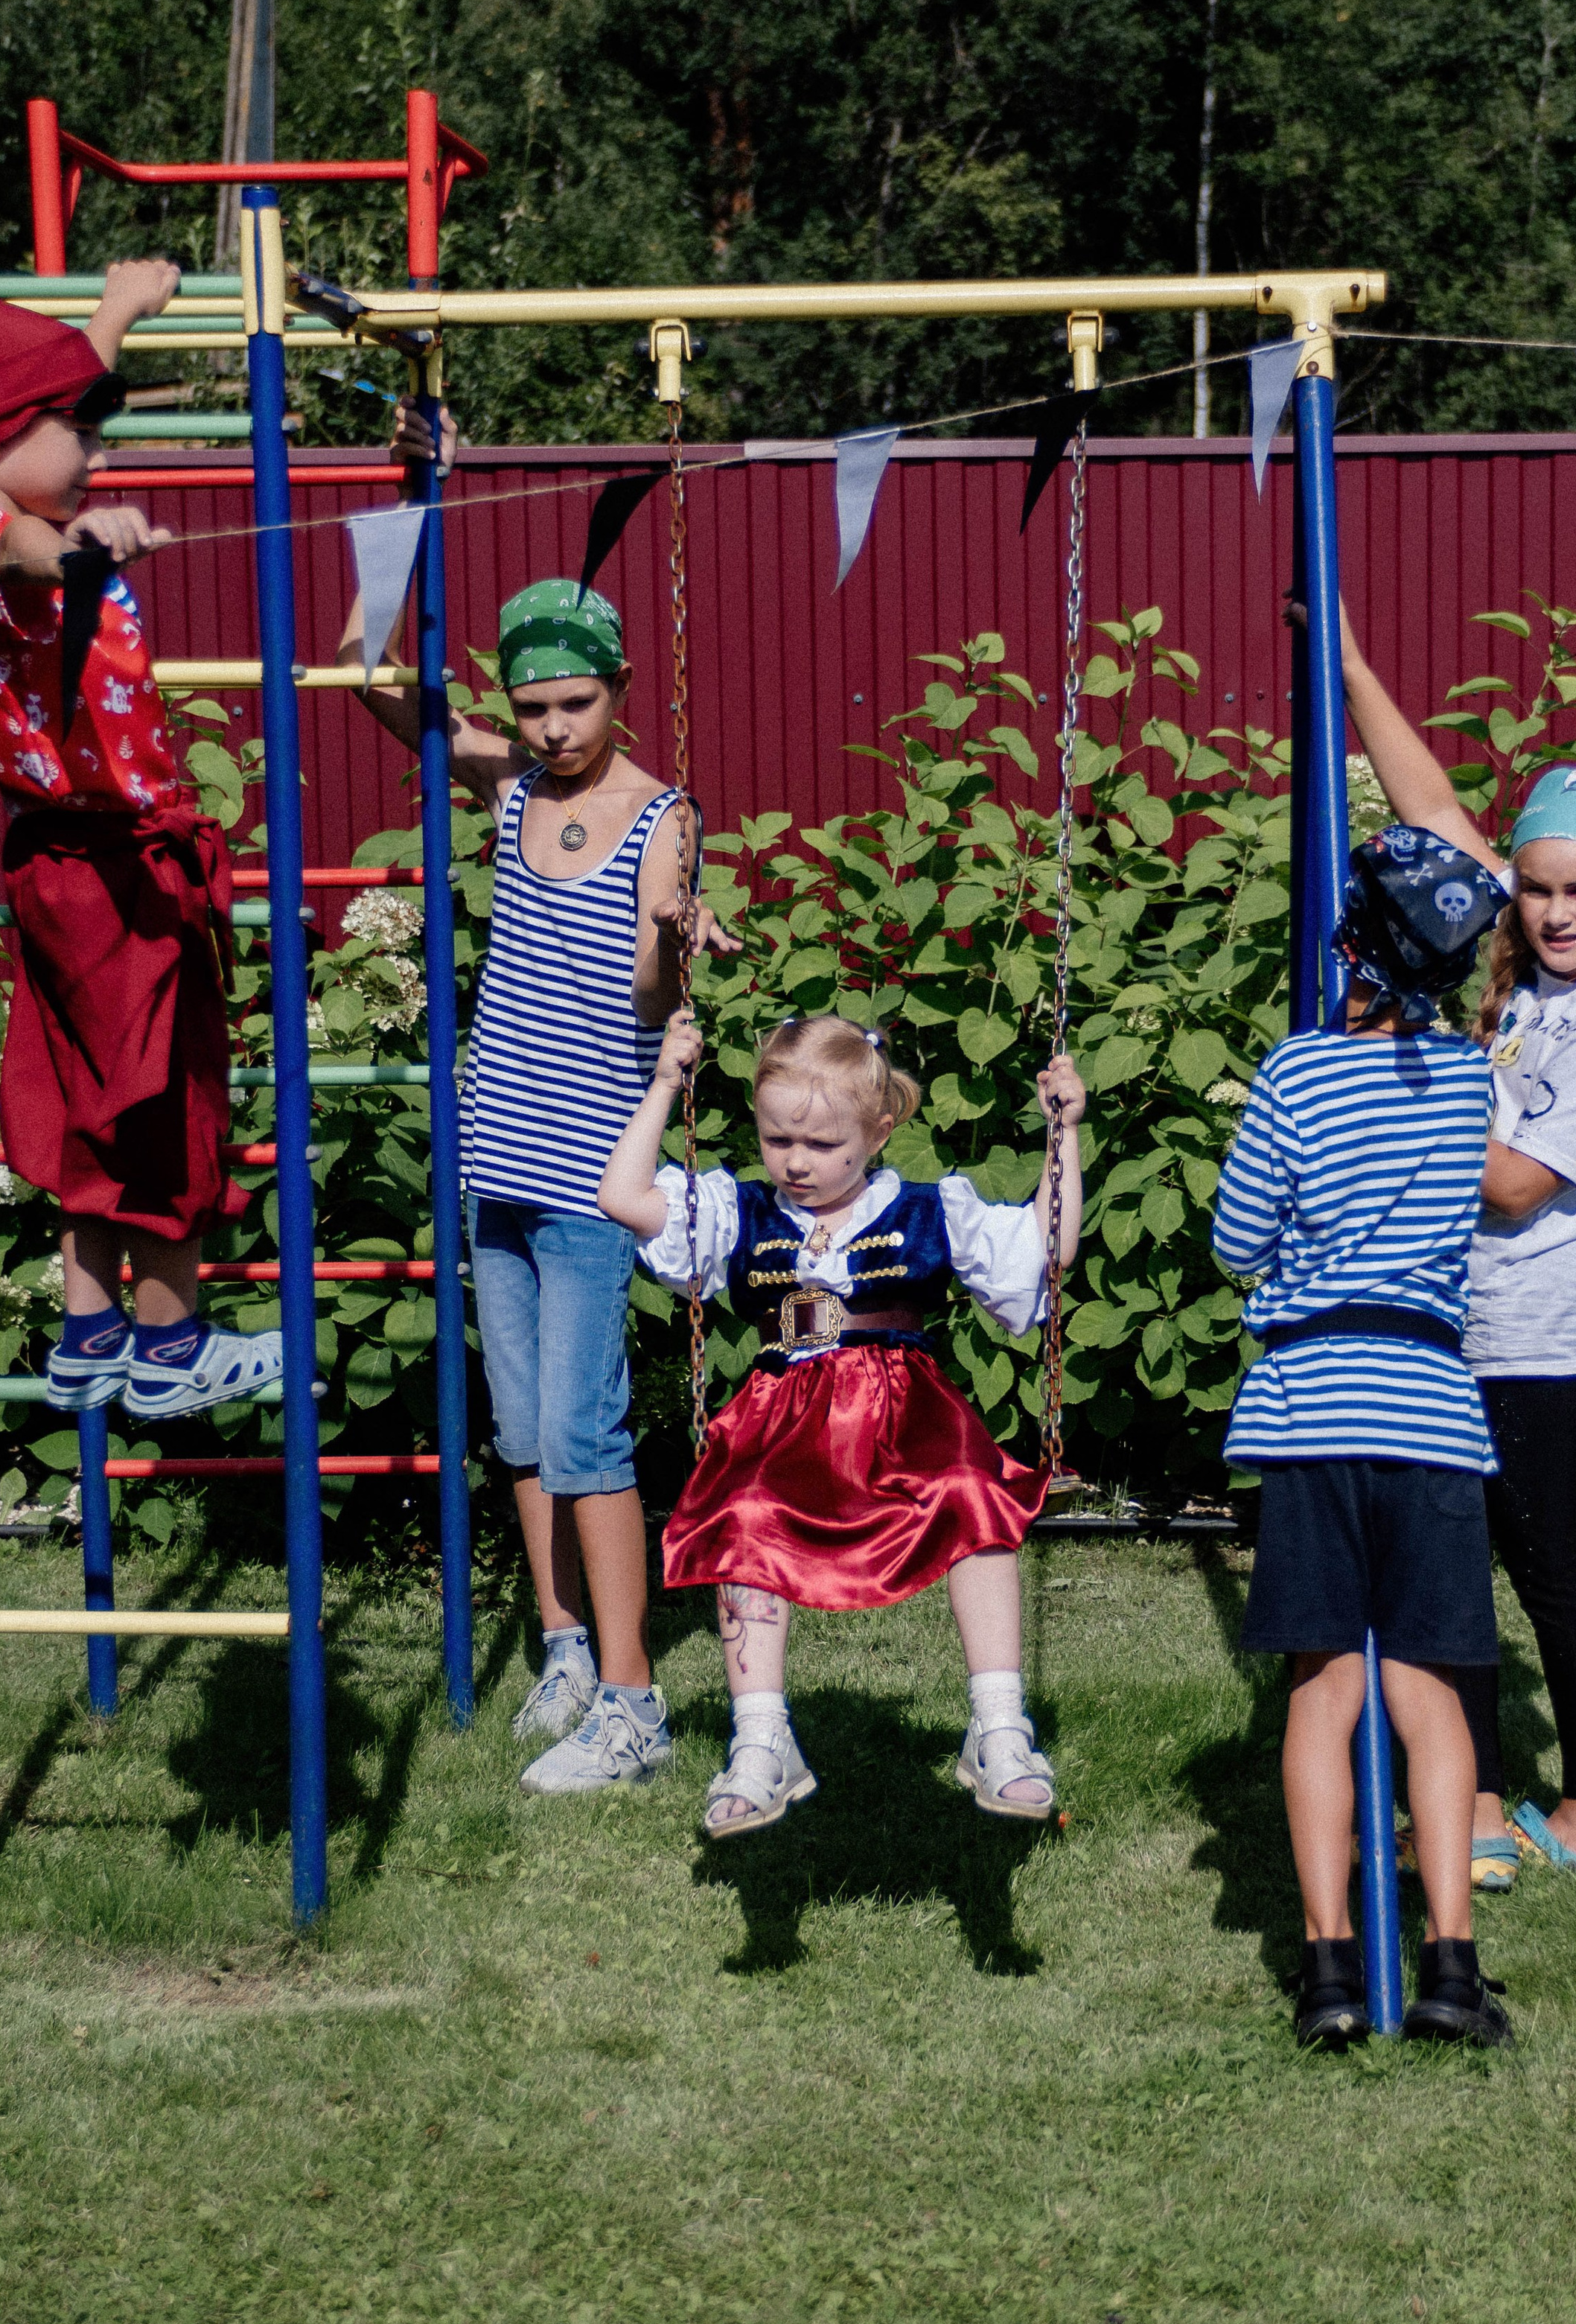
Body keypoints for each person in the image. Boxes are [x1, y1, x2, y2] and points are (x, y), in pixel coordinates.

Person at [347, 402, 736, 1794]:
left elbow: (642, 995)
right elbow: (381, 693)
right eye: (534, 707)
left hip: (594, 1171)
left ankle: (635, 1704)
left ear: (620, 689)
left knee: (585, 1432)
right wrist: (395, 538)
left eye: (577, 703)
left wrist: (673, 943)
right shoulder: (513, 785)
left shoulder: (658, 813)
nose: (556, 729)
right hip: (494, 1151)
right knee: (519, 1431)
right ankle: (563, 1642)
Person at [1332, 602, 1576, 1876]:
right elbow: (1433, 815)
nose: (1550, 912)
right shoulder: (1537, 977)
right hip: (1469, 1325)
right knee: (1447, 1571)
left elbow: (1522, 1183)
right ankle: (1468, 1810)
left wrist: (1389, 1086)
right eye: (1532, 890)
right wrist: (1358, 670)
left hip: (1546, 1335)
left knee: (1547, 1571)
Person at [598, 1010, 1085, 1838]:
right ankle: (760, 1741)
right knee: (741, 1515)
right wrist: (664, 1084)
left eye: (821, 1146)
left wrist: (1063, 1135)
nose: (794, 1162)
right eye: (777, 1138)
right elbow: (623, 1196)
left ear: (880, 1127)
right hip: (781, 1414)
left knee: (974, 1493)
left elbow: (1048, 1248)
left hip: (903, 1410)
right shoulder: (739, 1212)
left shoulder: (931, 1210)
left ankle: (999, 1727)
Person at [1211, 830, 1514, 2049]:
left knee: (1323, 1692)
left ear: (1346, 948)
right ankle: (1449, 1962)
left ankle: (1331, 1965)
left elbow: (1239, 1242)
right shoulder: (1473, 1082)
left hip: (1311, 1401)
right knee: (1430, 1696)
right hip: (1434, 1410)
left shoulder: (1295, 1075)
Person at [0, 275, 286, 1420]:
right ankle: (169, 1348)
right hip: (112, 871)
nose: (98, 453)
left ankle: (92, 1331)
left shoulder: (0, 481)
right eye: (81, 435)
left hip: (64, 858)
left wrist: (112, 317)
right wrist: (84, 545)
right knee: (158, 1103)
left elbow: (34, 425)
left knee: (95, 1094)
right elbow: (20, 556)